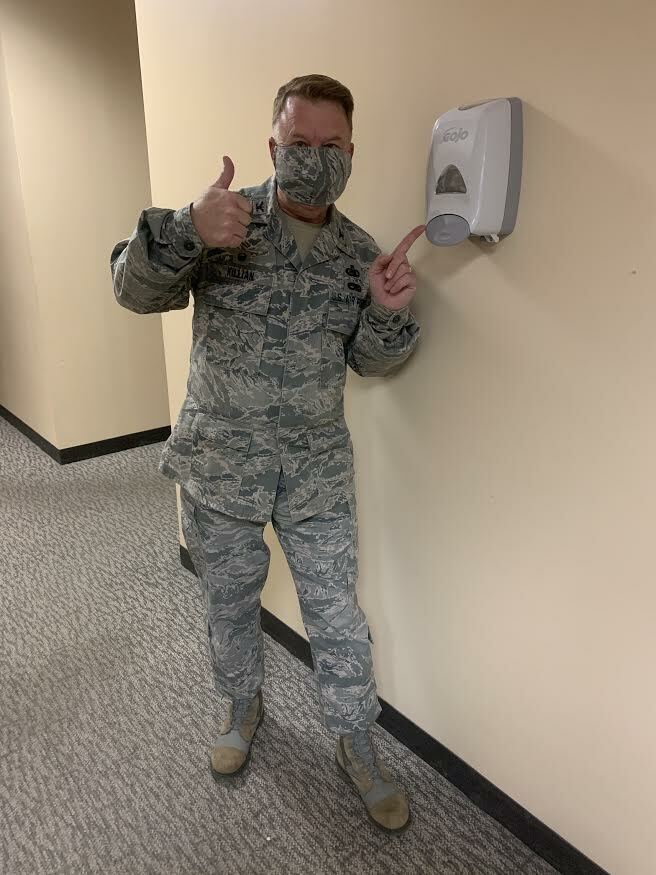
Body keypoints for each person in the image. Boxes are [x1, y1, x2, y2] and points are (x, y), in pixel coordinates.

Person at [111, 74, 423, 833]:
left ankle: (354, 741)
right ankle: (242, 704)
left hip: (315, 471)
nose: (314, 157)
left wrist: (387, 312)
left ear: (352, 150)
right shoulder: (224, 222)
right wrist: (185, 224)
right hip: (223, 463)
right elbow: (131, 289)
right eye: (298, 144)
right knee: (228, 604)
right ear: (271, 147)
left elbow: (372, 364)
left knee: (337, 619)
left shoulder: (357, 253)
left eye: (330, 145)